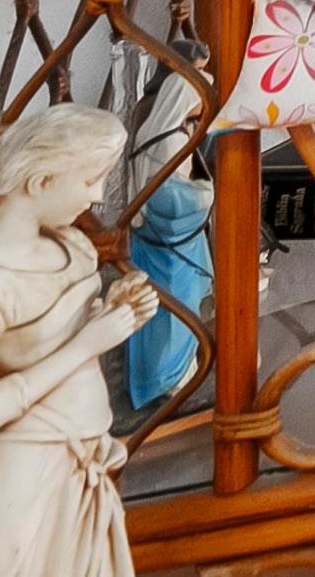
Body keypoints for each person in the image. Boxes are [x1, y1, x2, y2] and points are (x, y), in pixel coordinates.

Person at [0, 106, 157, 577]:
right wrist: (88, 343)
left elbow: (46, 343)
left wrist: (111, 314)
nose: (97, 196)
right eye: (90, 179)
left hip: (73, 469)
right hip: (12, 486)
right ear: (41, 181)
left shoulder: (70, 247)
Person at [126, 47, 213, 412]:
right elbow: (166, 198)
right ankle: (168, 383)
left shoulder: (178, 131)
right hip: (166, 249)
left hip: (175, 246)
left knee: (184, 311)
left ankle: (183, 377)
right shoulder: (166, 139)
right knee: (172, 314)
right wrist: (205, 194)